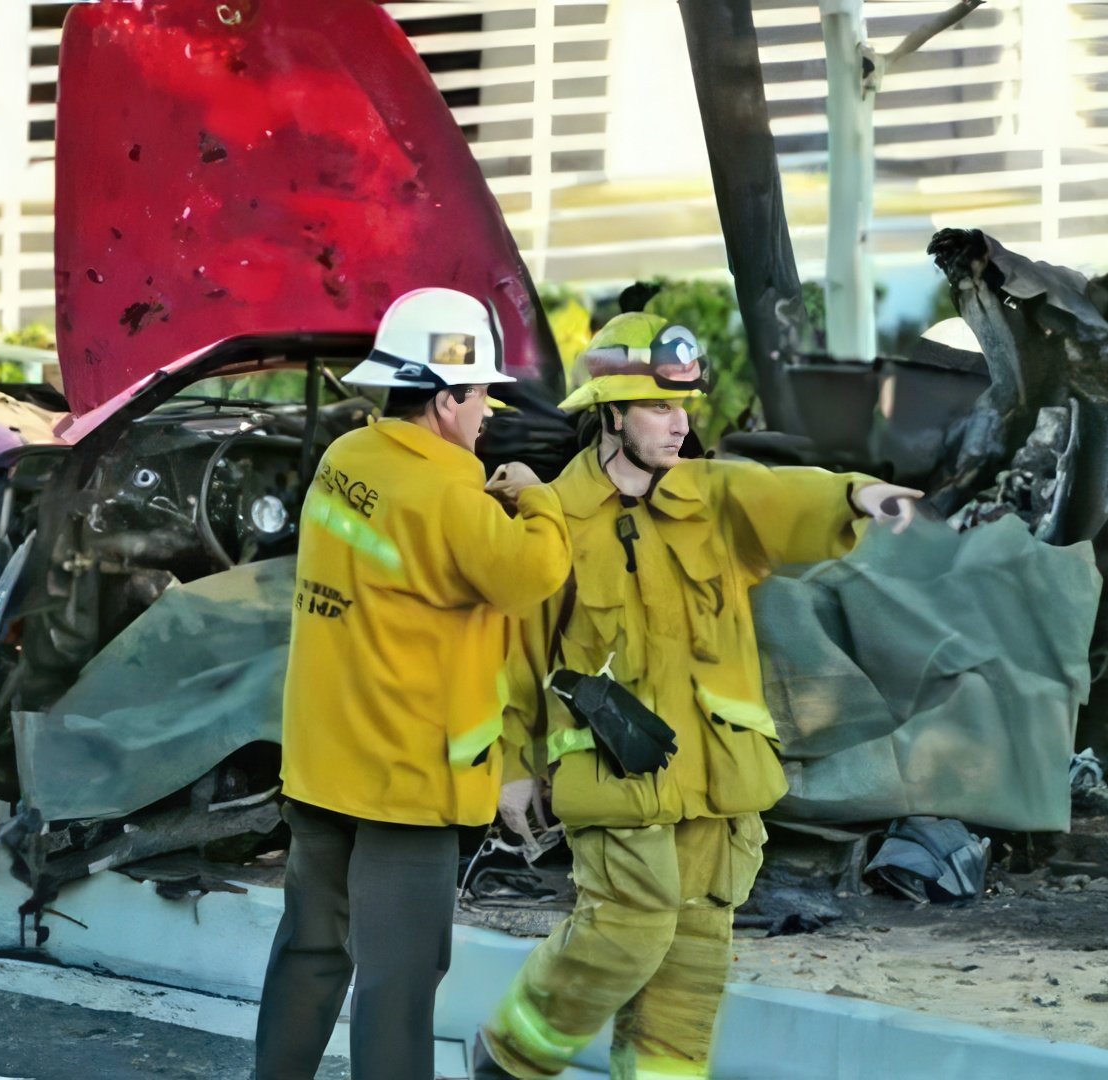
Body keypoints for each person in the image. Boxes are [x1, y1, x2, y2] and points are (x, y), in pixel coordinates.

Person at [472, 313, 919, 1079]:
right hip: (618, 776)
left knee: (693, 963)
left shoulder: (711, 499)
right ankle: (508, 1057)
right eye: (657, 407)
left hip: (718, 778)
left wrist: (858, 496)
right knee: (624, 935)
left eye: (683, 407)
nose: (679, 425)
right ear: (609, 414)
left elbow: (786, 496)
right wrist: (512, 764)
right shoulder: (553, 519)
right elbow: (514, 653)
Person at [256, 287, 573, 1080]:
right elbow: (530, 574)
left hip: (325, 764)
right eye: (479, 398)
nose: (487, 415)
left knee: (311, 948)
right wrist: (537, 501)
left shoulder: (345, 460)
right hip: (407, 780)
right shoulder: (450, 493)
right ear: (443, 398)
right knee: (398, 981)